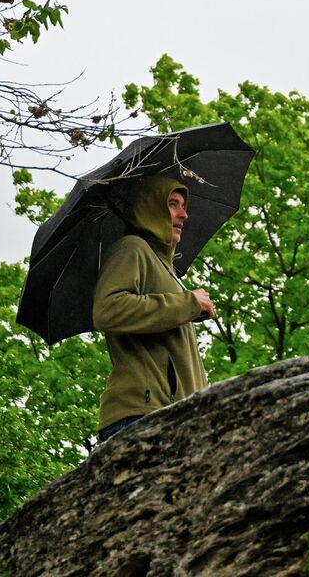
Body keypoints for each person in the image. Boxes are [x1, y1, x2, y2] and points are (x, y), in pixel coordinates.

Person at [90, 175, 215, 444]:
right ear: (150, 208)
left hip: (175, 417)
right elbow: (107, 309)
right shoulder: (132, 248)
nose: (184, 214)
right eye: (172, 204)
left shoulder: (164, 268)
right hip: (142, 413)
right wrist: (188, 302)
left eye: (183, 205)